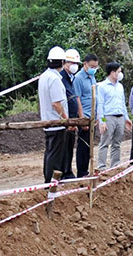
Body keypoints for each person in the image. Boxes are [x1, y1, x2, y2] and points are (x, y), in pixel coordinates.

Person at [38, 46, 69, 183]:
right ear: (62, 62)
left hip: (47, 121)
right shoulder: (55, 79)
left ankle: (48, 179)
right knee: (55, 154)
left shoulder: (44, 76)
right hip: (56, 122)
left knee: (49, 152)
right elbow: (56, 103)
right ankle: (51, 181)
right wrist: (66, 119)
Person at [96, 62, 132, 171]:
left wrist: (126, 118)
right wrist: (102, 121)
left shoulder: (120, 86)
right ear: (112, 72)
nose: (120, 74)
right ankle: (101, 167)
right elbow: (100, 105)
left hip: (119, 116)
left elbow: (122, 103)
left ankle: (115, 166)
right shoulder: (102, 86)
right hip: (108, 117)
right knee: (105, 142)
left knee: (117, 143)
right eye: (119, 72)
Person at [73, 53, 99, 178]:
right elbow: (77, 99)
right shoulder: (78, 78)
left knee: (89, 146)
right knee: (83, 146)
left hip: (93, 116)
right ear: (85, 64)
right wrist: (82, 117)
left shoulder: (92, 77)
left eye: (96, 67)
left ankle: (86, 171)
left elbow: (95, 96)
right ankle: (81, 172)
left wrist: (98, 117)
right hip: (85, 116)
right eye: (92, 66)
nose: (94, 69)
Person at [59, 48, 82, 179]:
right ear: (64, 63)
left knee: (69, 146)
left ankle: (67, 170)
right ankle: (63, 172)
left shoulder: (71, 78)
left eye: (76, 64)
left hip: (72, 117)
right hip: (65, 118)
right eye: (71, 63)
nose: (74, 66)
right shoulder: (61, 77)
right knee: (63, 146)